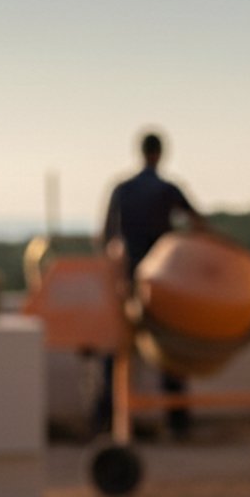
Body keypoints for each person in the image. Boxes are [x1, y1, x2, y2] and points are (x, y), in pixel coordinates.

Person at [97, 130, 205, 437]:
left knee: (117, 354)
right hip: (163, 287)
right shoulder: (168, 190)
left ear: (141, 152)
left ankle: (106, 421)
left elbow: (106, 237)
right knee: (170, 351)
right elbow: (198, 225)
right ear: (160, 153)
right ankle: (178, 423)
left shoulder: (122, 189)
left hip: (129, 284)